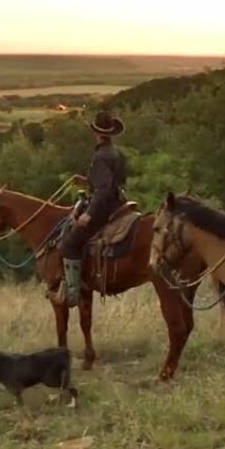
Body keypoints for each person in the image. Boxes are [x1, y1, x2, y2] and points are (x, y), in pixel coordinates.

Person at [59, 112, 128, 305]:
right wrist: (86, 180)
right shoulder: (117, 152)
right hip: (119, 202)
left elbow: (104, 190)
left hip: (104, 206)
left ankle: (73, 294)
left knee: (70, 244)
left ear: (96, 133)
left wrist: (89, 214)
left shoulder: (100, 156)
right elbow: (114, 181)